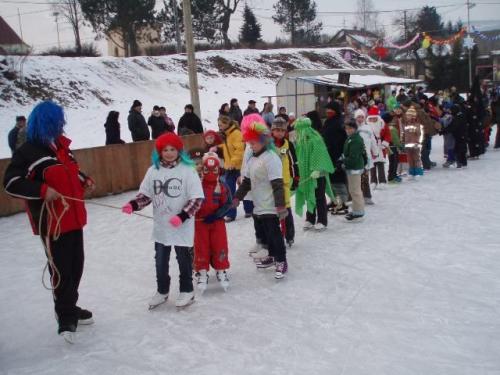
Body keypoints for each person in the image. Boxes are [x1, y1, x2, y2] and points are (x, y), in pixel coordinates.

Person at [3, 101, 95, 342]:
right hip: (53, 223)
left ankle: (70, 306)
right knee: (62, 270)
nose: (60, 126)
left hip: (74, 218)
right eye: (56, 123)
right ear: (44, 123)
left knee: (76, 267)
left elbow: (69, 171)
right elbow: (11, 183)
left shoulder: (62, 147)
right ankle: (65, 317)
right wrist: (42, 190)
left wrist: (83, 179)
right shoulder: (28, 151)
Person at [122, 133, 204, 309]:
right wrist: (133, 204)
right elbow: (145, 195)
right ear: (159, 152)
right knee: (160, 260)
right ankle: (162, 290)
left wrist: (182, 216)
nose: (168, 153)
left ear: (178, 150)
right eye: (165, 150)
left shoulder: (188, 170)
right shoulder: (153, 171)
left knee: (184, 260)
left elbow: (196, 199)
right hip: (162, 227)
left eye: (172, 149)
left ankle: (187, 290)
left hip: (182, 226)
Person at [234, 114, 289, 279]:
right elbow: (246, 183)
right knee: (266, 233)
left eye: (253, 143)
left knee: (274, 234)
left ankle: (281, 260)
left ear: (263, 140)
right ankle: (272, 256)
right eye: (249, 143)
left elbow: (278, 184)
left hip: (271, 204)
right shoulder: (253, 159)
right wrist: (237, 198)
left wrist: (280, 206)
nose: (250, 146)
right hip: (259, 204)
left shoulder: (271, 158)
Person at [193, 153, 232, 293]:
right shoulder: (196, 184)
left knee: (220, 245)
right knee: (201, 247)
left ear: (218, 169)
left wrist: (216, 215)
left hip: (217, 222)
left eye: (214, 169)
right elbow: (190, 201)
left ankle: (221, 270)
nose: (210, 173)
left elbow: (228, 204)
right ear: (202, 169)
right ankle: (202, 272)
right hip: (200, 222)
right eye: (207, 169)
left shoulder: (222, 185)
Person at [294, 117, 335, 232]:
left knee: (319, 197)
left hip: (317, 175)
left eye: (299, 129)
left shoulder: (315, 139)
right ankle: (310, 219)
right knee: (308, 194)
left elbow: (321, 154)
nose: (297, 132)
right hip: (306, 174)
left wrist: (318, 169)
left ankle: (322, 220)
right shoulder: (301, 141)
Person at [271, 117, 299, 247]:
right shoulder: (268, 144)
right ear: (273, 130)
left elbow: (293, 163)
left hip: (285, 182)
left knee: (286, 209)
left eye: (282, 130)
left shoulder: (288, 144)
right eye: (277, 130)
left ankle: (289, 236)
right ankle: (275, 236)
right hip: (271, 183)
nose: (280, 133)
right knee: (272, 211)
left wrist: (296, 177)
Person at [322, 103, 349, 215]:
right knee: (331, 180)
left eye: (330, 109)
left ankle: (342, 203)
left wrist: (341, 156)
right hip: (329, 155)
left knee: (338, 180)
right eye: (327, 109)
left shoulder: (340, 122)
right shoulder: (328, 122)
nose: (328, 111)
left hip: (337, 155)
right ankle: (335, 201)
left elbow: (344, 140)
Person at [217, 115, 244, 222]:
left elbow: (239, 150)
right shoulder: (226, 134)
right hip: (229, 167)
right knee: (229, 191)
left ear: (227, 124)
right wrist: (217, 147)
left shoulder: (236, 133)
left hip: (239, 166)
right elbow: (227, 147)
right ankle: (231, 214)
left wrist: (233, 162)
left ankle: (249, 209)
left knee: (244, 189)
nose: (219, 127)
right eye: (218, 125)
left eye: (221, 124)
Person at [343, 121, 366, 221]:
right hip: (352, 167)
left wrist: (343, 161)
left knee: (355, 190)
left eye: (350, 128)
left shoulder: (356, 140)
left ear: (355, 129)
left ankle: (359, 212)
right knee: (353, 189)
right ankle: (356, 209)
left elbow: (353, 157)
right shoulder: (351, 138)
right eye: (347, 128)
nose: (348, 130)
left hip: (354, 167)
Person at [355, 109, 378, 205]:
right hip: (355, 157)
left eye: (362, 117)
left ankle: (367, 196)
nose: (360, 119)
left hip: (366, 157)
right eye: (358, 117)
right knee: (355, 178)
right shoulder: (353, 128)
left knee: (364, 177)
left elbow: (373, 141)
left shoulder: (368, 128)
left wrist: (375, 151)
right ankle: (356, 197)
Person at [367, 106, 391, 189]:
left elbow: (388, 134)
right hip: (371, 148)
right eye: (371, 118)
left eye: (374, 118)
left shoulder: (382, 124)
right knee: (372, 165)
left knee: (380, 164)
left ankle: (382, 181)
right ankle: (373, 181)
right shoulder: (367, 126)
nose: (373, 120)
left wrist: (385, 143)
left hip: (380, 146)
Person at [402, 107, 424, 179]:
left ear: (413, 116)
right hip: (407, 144)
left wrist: (418, 143)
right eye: (407, 115)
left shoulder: (417, 124)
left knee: (416, 158)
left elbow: (420, 134)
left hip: (415, 145)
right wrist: (403, 142)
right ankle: (411, 172)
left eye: (409, 115)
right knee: (410, 158)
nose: (407, 117)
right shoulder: (405, 124)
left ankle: (418, 171)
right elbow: (404, 134)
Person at [383, 112, 402, 183]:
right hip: (393, 147)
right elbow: (395, 140)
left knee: (392, 161)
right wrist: (400, 146)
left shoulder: (385, 127)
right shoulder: (392, 128)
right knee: (394, 161)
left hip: (389, 147)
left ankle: (392, 175)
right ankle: (392, 177)